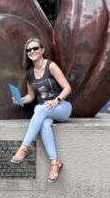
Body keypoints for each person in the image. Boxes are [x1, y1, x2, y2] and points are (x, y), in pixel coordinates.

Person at [10, 38, 72, 182]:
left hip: (62, 107)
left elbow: (67, 88)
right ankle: (55, 163)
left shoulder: (51, 66)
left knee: (39, 108)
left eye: (35, 48)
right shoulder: (29, 73)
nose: (32, 51)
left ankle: (24, 148)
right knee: (43, 122)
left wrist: (56, 100)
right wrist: (20, 100)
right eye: (29, 50)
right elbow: (31, 96)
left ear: (42, 50)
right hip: (44, 111)